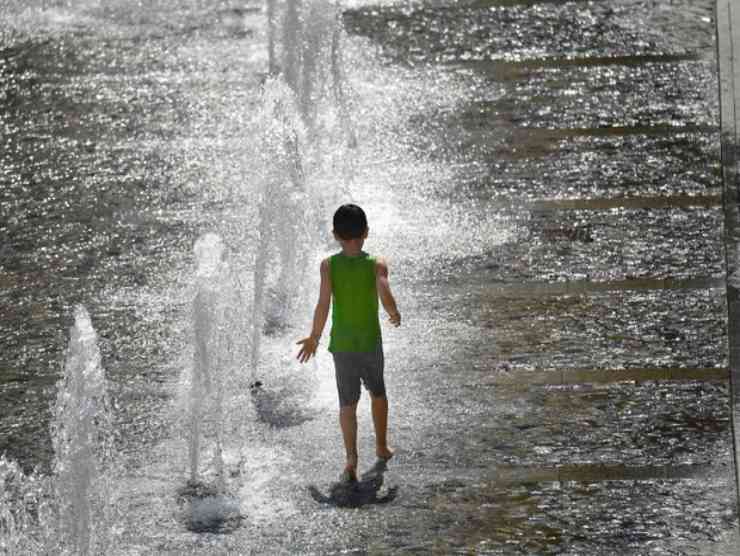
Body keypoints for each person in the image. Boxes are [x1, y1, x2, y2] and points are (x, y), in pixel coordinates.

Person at [296, 204, 401, 482]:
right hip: (369, 343)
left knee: (347, 404)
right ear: (366, 232)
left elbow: (323, 304)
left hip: (341, 347)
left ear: (335, 235)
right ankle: (381, 446)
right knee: (378, 394)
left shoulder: (328, 266)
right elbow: (384, 290)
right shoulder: (376, 264)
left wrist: (314, 337)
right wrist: (393, 312)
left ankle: (351, 458)